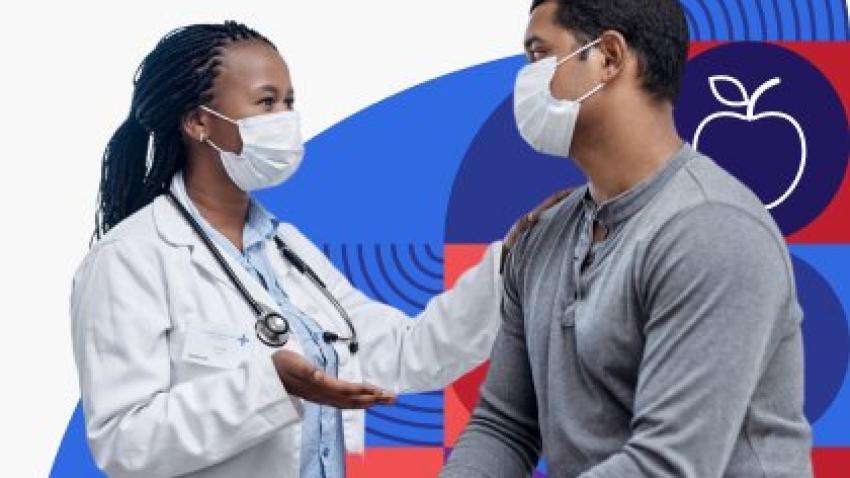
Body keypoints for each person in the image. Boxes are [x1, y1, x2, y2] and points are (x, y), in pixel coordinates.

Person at [70, 21, 566, 478]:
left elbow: (405, 353)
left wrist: (511, 258)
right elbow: (124, 442)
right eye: (266, 103)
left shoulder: (287, 250)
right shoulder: (130, 258)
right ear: (200, 122)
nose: (286, 119)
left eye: (289, 101)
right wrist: (270, 386)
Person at [441, 1, 812, 477]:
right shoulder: (540, 239)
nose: (526, 80)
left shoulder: (712, 230)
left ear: (609, 57)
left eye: (539, 55)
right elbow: (505, 424)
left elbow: (666, 466)